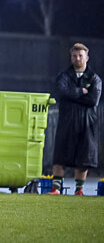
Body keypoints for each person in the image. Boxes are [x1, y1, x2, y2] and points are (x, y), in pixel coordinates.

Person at [49, 43, 101, 195]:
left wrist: (72, 95)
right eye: (74, 56)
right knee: (60, 155)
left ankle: (79, 190)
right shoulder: (64, 75)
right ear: (71, 57)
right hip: (67, 121)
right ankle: (56, 189)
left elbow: (93, 99)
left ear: (87, 58)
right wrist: (81, 91)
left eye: (80, 56)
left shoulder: (94, 78)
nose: (77, 58)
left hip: (87, 123)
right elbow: (61, 92)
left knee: (83, 157)